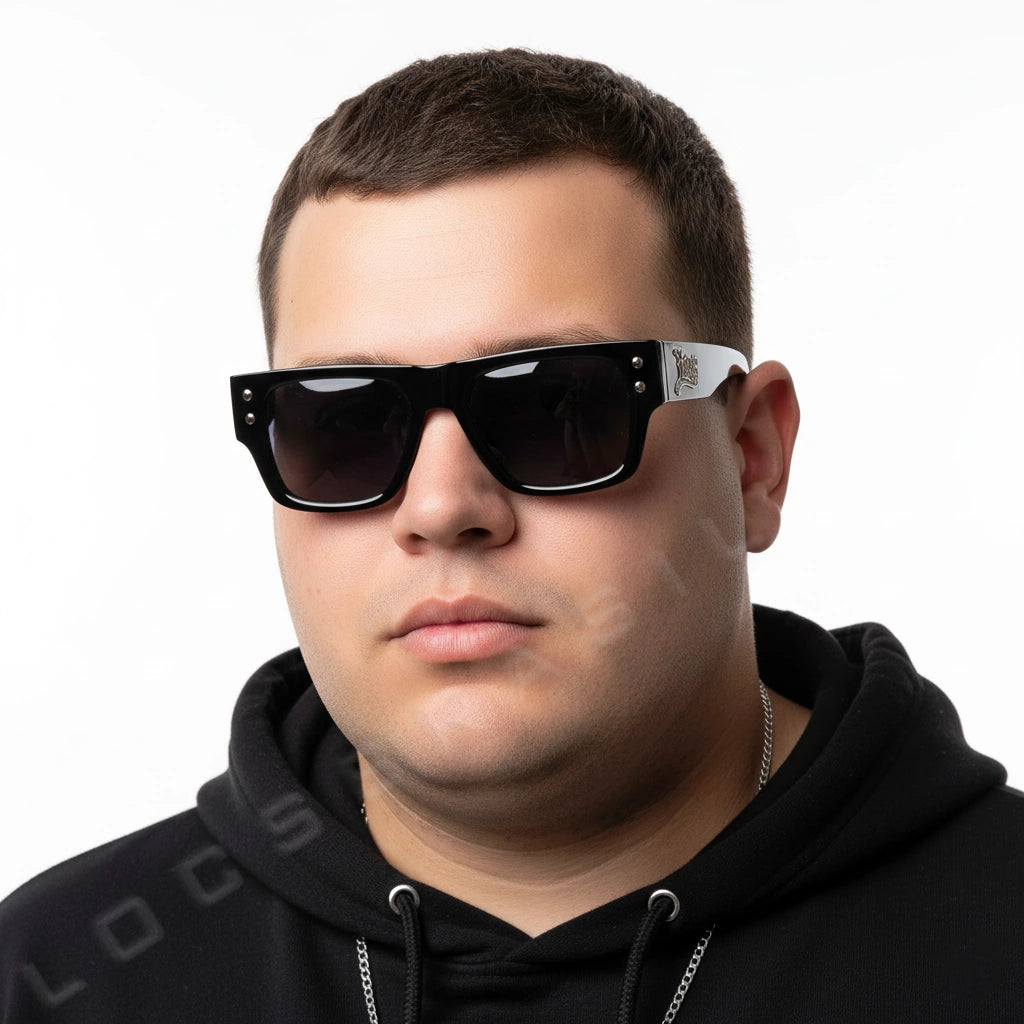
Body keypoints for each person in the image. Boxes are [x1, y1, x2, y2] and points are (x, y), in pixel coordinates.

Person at [1, 48, 1021, 1023]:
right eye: (345, 422)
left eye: (555, 407)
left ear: (752, 457)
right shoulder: (52, 979)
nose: (442, 506)